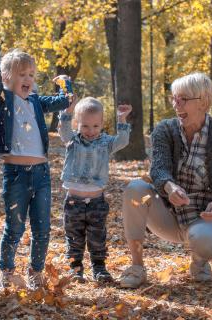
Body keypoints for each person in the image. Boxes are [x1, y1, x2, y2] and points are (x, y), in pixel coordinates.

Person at [119, 73, 212, 288]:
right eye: (174, 98)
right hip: (167, 215)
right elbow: (158, 169)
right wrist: (169, 187)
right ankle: (137, 266)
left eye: (183, 99)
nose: (176, 104)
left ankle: (199, 262)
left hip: (203, 219)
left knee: (204, 242)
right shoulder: (165, 130)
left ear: (203, 102)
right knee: (135, 189)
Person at [0, 28, 72, 290]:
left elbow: (65, 101)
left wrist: (66, 83)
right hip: (16, 175)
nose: (28, 79)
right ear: (8, 78)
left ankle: (35, 272)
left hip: (41, 174)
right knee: (14, 228)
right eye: (22, 74)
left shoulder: (37, 102)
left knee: (42, 229)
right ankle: (6, 273)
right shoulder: (3, 101)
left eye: (31, 74)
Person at [58, 97, 131, 283]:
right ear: (77, 124)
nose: (90, 131)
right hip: (74, 201)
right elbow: (63, 129)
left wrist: (121, 120)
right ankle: (75, 269)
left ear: (102, 124)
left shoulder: (106, 142)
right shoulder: (73, 140)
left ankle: (99, 268)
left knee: (97, 237)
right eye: (85, 126)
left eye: (95, 126)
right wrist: (67, 111)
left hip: (97, 202)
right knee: (74, 238)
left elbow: (122, 141)